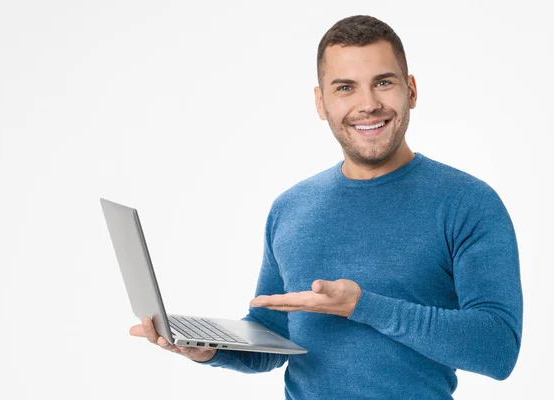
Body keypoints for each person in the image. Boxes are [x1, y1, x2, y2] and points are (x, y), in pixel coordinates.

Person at [129, 15, 523, 399]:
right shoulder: (290, 207)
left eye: (383, 82)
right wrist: (211, 349)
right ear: (321, 102)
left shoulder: (468, 203)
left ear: (411, 90)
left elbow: (498, 349)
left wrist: (362, 306)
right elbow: (273, 334)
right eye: (345, 88)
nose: (368, 104)